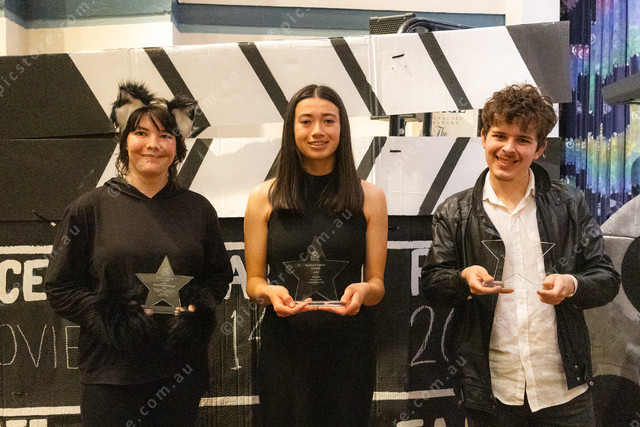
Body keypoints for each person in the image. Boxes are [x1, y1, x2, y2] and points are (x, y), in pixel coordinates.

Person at [421, 83, 620, 426]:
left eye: (523, 140)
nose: (508, 149)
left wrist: (571, 285)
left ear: (539, 148)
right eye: (499, 135)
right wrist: (463, 279)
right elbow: (433, 285)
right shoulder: (454, 212)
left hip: (564, 390)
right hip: (492, 392)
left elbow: (607, 279)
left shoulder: (569, 204)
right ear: (483, 137)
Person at [44, 82, 233, 427]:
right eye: (141, 133)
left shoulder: (199, 209)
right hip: (110, 377)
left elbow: (218, 276)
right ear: (124, 141)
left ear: (177, 146)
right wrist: (112, 317)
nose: (153, 144)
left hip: (180, 375)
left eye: (165, 135)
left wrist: (197, 309)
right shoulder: (89, 208)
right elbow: (60, 287)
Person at [243, 84, 387, 426]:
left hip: (349, 353)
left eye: (329, 121)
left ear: (342, 128)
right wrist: (268, 292)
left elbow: (377, 285)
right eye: (306, 121)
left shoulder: (371, 197)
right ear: (291, 129)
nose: (318, 131)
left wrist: (365, 291)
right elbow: (253, 282)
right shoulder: (263, 197)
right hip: (285, 351)